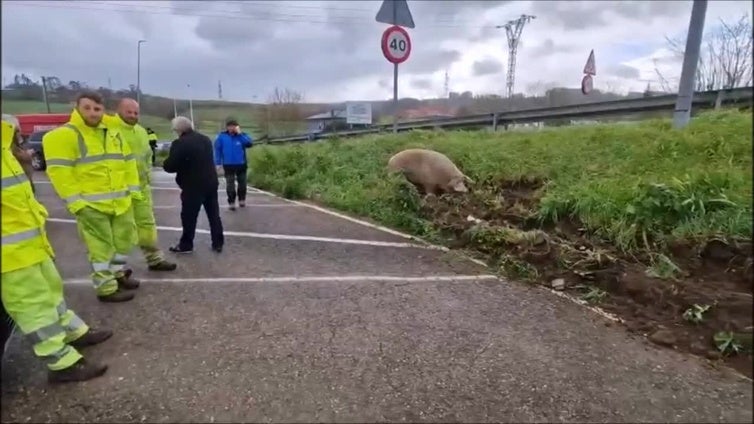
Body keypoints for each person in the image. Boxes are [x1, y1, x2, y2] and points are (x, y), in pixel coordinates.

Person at [2, 115, 112, 383]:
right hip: (10, 254)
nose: (22, 138)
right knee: (34, 307)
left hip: (30, 243)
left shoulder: (6, 152)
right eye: (18, 133)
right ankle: (60, 362)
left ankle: (75, 333)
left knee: (52, 292)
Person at [42, 91, 142, 303]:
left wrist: (133, 192)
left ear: (103, 110)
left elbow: (128, 164)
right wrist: (77, 203)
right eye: (87, 108)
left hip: (121, 202)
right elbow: (60, 174)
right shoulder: (62, 136)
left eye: (97, 109)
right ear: (76, 108)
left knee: (124, 242)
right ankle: (106, 288)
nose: (93, 113)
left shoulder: (113, 133)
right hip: (92, 205)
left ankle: (117, 274)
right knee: (101, 249)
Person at [104, 99, 177, 272]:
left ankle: (155, 259)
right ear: (118, 111)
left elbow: (147, 157)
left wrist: (147, 178)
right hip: (118, 191)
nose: (133, 115)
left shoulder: (141, 132)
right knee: (121, 232)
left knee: (147, 226)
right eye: (129, 112)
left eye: (136, 112)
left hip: (142, 189)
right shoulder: (108, 130)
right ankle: (117, 271)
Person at [163, 116, 225, 253]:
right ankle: (218, 242)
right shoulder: (205, 139)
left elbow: (170, 166)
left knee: (189, 216)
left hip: (192, 185)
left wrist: (165, 163)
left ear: (178, 130)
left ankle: (186, 244)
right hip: (210, 182)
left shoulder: (180, 143)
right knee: (214, 214)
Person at [213, 118, 253, 211]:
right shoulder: (221, 137)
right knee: (230, 184)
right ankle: (231, 202)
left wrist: (240, 134)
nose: (231, 128)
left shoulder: (242, 136)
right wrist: (218, 163)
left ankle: (242, 200)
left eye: (234, 126)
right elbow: (217, 150)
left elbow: (249, 144)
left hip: (241, 164)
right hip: (228, 165)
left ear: (237, 127)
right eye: (230, 126)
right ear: (227, 127)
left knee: (242, 184)